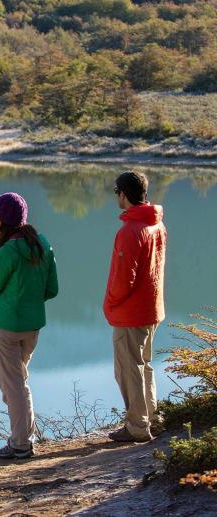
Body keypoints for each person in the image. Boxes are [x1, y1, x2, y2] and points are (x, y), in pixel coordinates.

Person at [0, 192, 58, 459]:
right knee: (19, 381)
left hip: (6, 326)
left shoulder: (8, 251)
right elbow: (52, 288)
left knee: (13, 385)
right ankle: (25, 436)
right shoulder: (42, 244)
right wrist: (30, 302)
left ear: (2, 220)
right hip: (33, 324)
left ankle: (21, 444)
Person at [104, 171, 166, 443]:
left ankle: (137, 427)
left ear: (123, 194)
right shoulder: (156, 225)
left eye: (116, 191)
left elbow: (122, 279)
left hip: (130, 312)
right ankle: (152, 418)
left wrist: (110, 304)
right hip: (152, 307)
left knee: (128, 369)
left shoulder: (130, 231)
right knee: (144, 365)